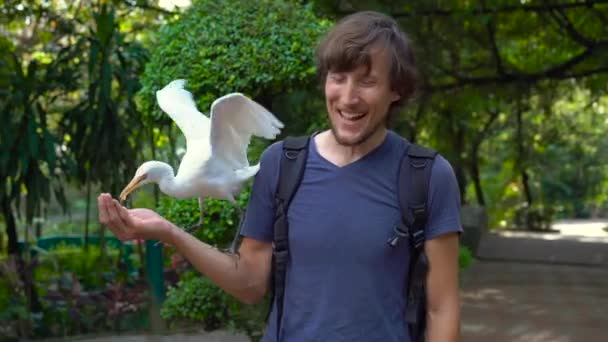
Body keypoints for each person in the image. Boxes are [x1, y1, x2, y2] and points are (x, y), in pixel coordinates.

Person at [97, 10, 462, 342]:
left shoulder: (427, 176)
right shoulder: (283, 165)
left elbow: (442, 308)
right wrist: (167, 231)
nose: (348, 97)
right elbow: (251, 283)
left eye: (367, 82)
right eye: (338, 78)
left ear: (395, 90)